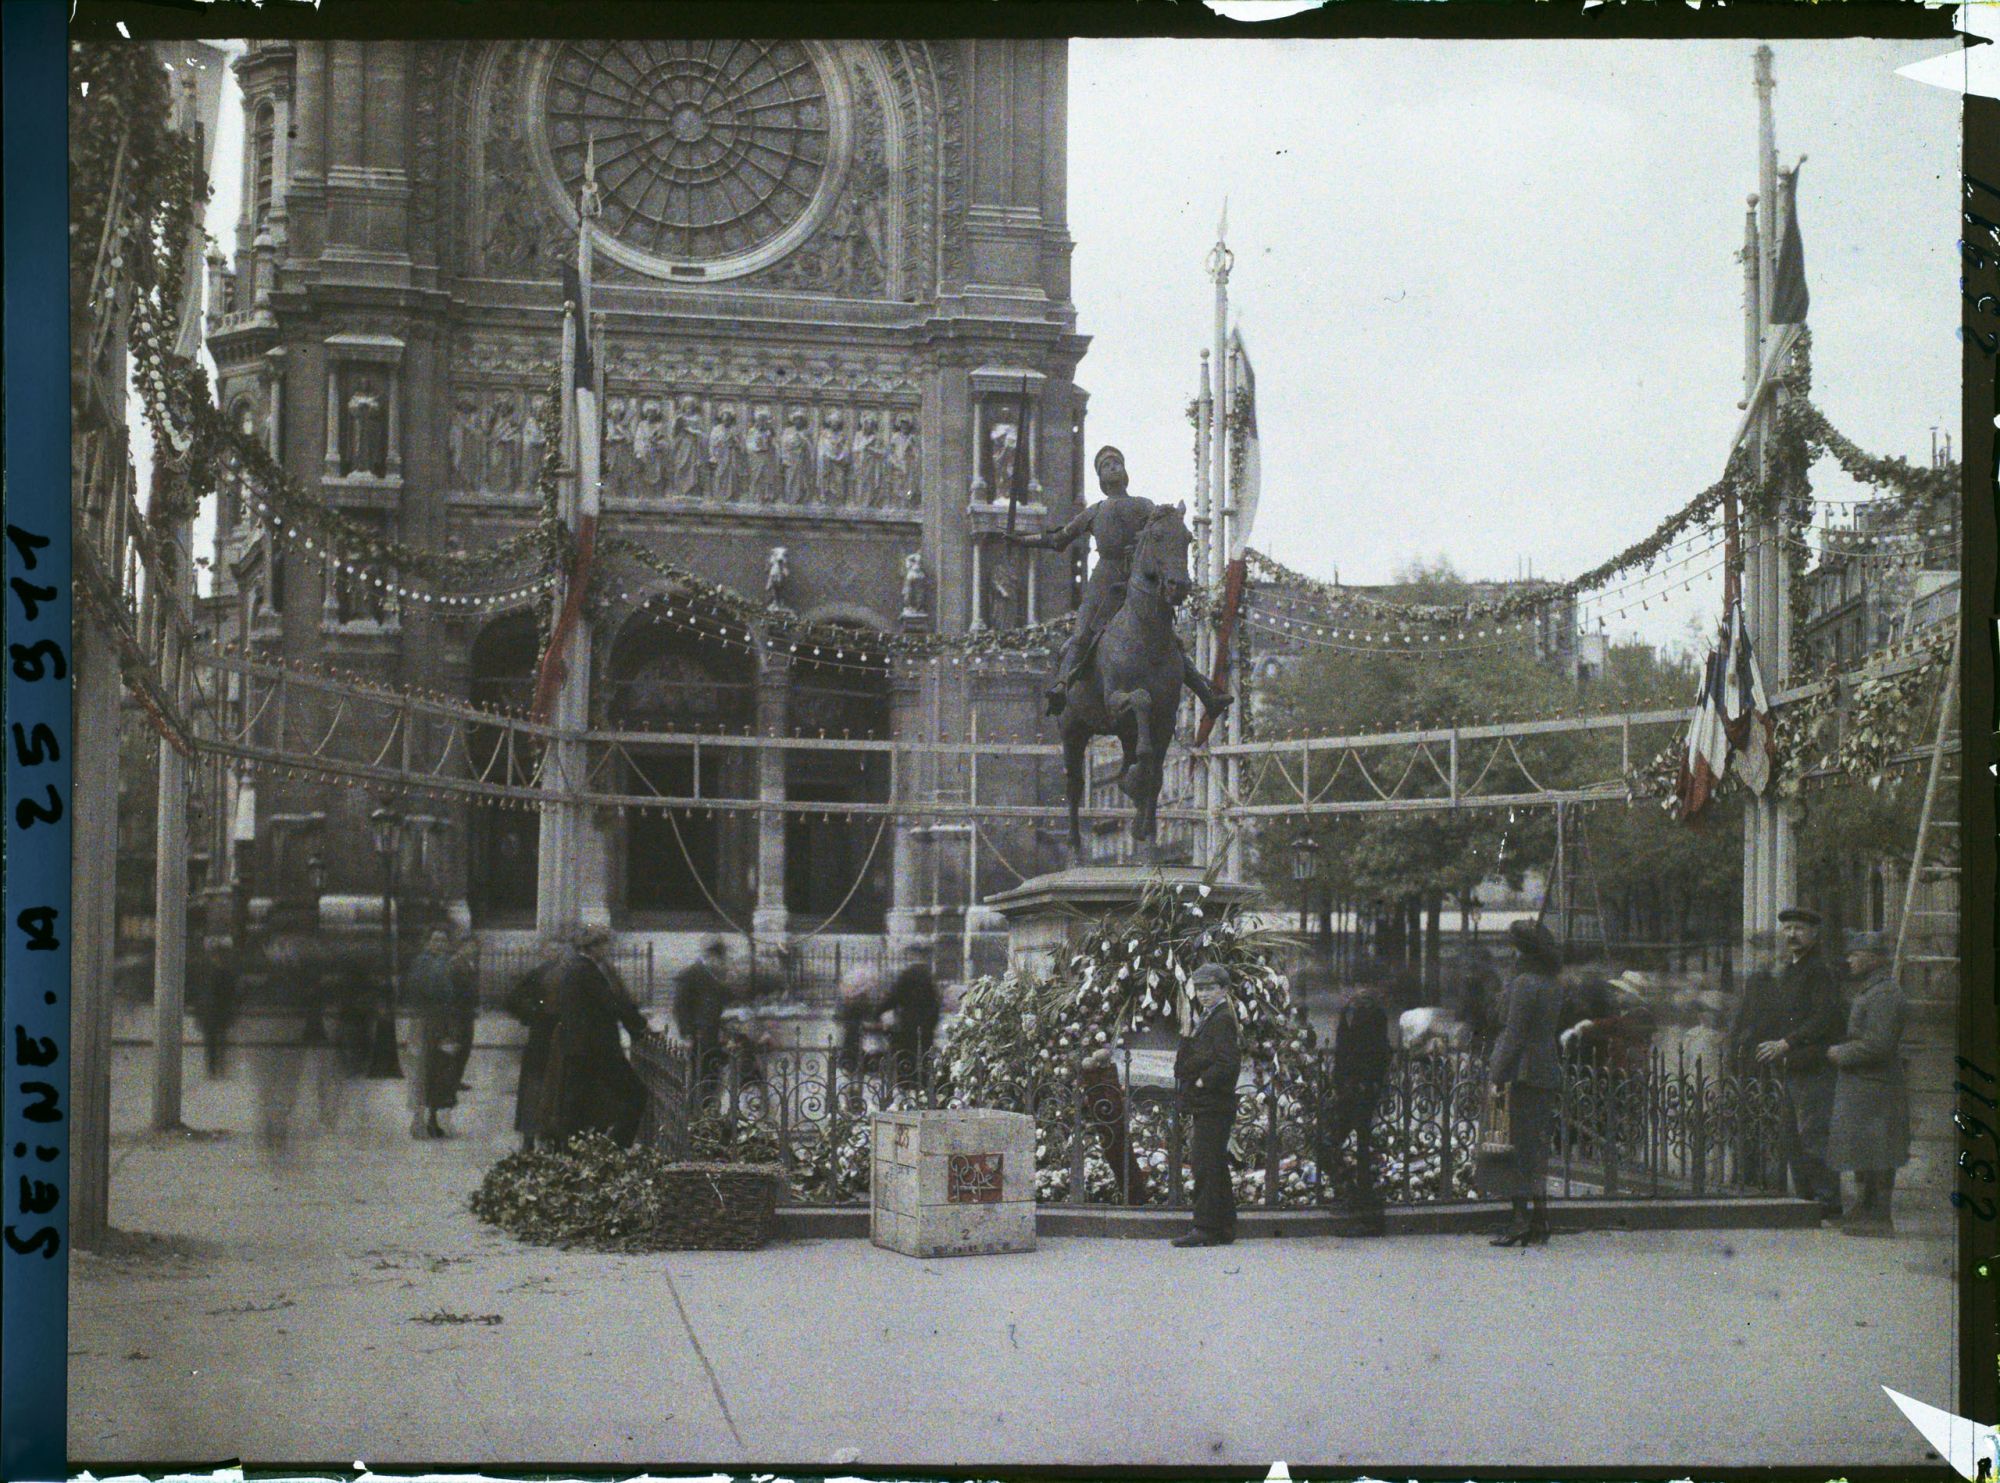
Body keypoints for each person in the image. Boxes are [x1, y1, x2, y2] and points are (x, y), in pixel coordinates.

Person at [1009, 445, 1231, 722]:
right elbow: (1058, 539)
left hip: (1139, 583)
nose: (1113, 467)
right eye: (1106, 465)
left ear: (1125, 472)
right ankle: (1062, 686)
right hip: (1104, 581)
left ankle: (1207, 695)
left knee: (1167, 639)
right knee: (1082, 633)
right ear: (1101, 478)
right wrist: (1023, 540)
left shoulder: (1144, 505)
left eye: (1117, 463)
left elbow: (1161, 532)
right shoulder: (1094, 512)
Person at [1758, 906, 1847, 1221]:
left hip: (1814, 1067)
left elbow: (1824, 1018)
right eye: (1787, 929)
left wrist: (1786, 1043)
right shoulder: (1792, 970)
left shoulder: (1819, 971)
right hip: (1793, 1066)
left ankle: (1828, 1203)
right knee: (1793, 1138)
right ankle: (1806, 1201)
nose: (1792, 935)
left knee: (1814, 1135)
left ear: (1815, 933)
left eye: (1799, 929)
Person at [535, 928, 655, 1148]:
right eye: (606, 945)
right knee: (636, 1094)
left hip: (579, 1048)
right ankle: (617, 1146)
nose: (609, 950)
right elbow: (613, 1003)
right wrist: (641, 1026)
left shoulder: (574, 968)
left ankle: (570, 1152)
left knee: (576, 1105)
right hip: (598, 1049)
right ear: (595, 947)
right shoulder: (586, 970)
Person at [1826, 931, 1911, 1238]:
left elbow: (1879, 1045)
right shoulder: (1871, 990)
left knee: (1879, 1151)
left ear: (1873, 959)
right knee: (1863, 1149)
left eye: (1855, 954)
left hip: (1876, 1085)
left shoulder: (1885, 994)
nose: (1848, 959)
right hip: (1865, 1085)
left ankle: (1879, 1217)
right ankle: (1864, 1208)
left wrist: (1841, 1053)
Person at [1487, 919, 1566, 1247]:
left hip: (1521, 1071)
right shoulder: (1552, 983)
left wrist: (1496, 1071)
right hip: (1545, 1068)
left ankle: (1520, 1220)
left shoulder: (1523, 984)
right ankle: (1541, 1218)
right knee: (1536, 1147)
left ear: (1522, 951)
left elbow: (1513, 1033)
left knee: (1515, 1147)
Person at [1172, 963, 1241, 1248]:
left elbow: (1228, 1063)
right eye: (1200, 989)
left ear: (1224, 990)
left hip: (1213, 1103)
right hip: (1212, 1104)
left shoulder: (1222, 1019)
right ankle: (1223, 1226)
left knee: (1205, 1165)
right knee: (1215, 1166)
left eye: (1210, 988)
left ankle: (1205, 1228)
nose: (1203, 994)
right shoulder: (1210, 1016)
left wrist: (1202, 1081)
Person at [1324, 982, 1391, 1221]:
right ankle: (1361, 1192)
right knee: (1361, 1141)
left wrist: (1342, 1083)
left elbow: (1347, 1052)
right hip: (1364, 1087)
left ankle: (1351, 1191)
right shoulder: (1371, 1012)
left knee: (1334, 1140)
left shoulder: (1357, 1013)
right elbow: (1382, 1051)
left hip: (1353, 1087)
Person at [403, 929, 466, 1140]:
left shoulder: (451, 963)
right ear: (428, 942)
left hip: (444, 1023)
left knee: (442, 1072)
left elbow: (458, 994)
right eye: (435, 939)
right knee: (422, 1072)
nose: (439, 943)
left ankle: (435, 1119)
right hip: (424, 1023)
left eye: (443, 940)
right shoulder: (421, 963)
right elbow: (416, 991)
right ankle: (418, 1120)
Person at [674, 938, 732, 1102]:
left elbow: (724, 1000)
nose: (721, 963)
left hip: (713, 1035)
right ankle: (697, 1111)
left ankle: (708, 1110)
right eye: (720, 959)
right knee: (700, 1077)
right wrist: (686, 1034)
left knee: (713, 1076)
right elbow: (680, 1007)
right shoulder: (691, 975)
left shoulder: (715, 975)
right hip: (699, 1036)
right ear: (711, 956)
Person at [880, 944, 940, 1092]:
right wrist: (931, 1023)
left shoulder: (908, 974)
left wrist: (877, 1012)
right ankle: (922, 1092)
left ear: (913, 956)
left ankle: (906, 1091)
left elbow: (894, 997)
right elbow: (936, 1003)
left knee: (906, 1060)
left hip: (908, 1025)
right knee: (923, 1059)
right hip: (925, 1027)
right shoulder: (928, 976)